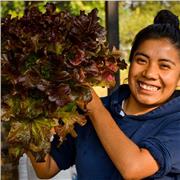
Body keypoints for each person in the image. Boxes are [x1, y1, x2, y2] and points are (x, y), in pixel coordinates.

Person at [27, 9, 180, 180]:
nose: (150, 73)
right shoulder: (94, 110)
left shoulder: (175, 121)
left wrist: (96, 110)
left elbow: (134, 168)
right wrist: (26, 114)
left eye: (164, 66)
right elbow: (46, 168)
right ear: (130, 63)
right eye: (141, 60)